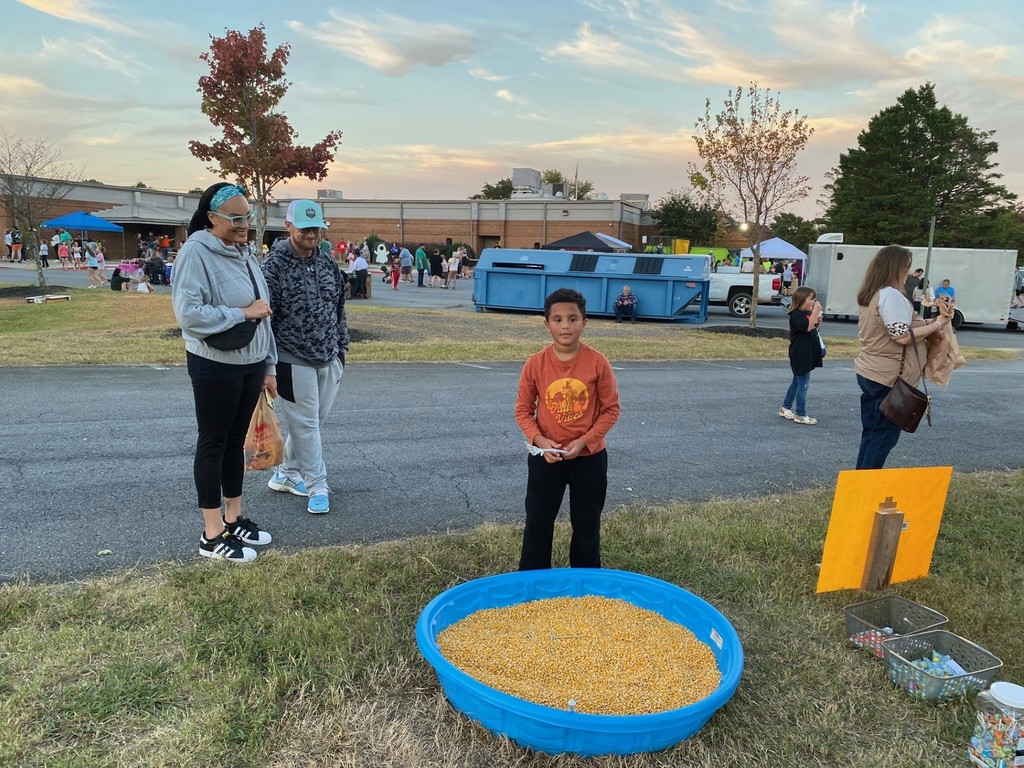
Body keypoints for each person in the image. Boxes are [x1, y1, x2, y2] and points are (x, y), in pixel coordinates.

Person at [171, 182, 277, 563]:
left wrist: (269, 365)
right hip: (214, 363)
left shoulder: (243, 251)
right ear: (211, 218)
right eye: (235, 218)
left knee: (236, 443)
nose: (243, 224)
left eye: (247, 216)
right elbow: (189, 315)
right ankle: (212, 533)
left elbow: (265, 312)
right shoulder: (195, 253)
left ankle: (234, 518)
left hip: (251, 363)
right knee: (214, 442)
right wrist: (241, 314)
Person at [514, 287, 621, 570]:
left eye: (573, 319)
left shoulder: (598, 363)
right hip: (546, 458)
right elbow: (523, 411)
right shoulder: (535, 364)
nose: (565, 326)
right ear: (546, 323)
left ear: (584, 322)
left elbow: (611, 410)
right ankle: (533, 584)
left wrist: (585, 442)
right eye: (558, 319)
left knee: (587, 527)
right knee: (538, 524)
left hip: (589, 459)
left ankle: (585, 587)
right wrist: (539, 440)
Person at [262, 200, 349, 515]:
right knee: (307, 425)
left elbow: (339, 308)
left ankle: (285, 473)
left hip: (328, 357)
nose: (312, 234)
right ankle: (317, 486)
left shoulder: (327, 263)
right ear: (288, 226)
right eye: (305, 228)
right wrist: (268, 366)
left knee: (311, 423)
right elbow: (264, 320)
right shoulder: (274, 266)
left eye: (316, 228)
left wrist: (341, 350)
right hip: (291, 357)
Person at [853, 245, 954, 470]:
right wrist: (937, 324)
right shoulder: (890, 295)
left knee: (871, 433)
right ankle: (866, 488)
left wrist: (935, 321)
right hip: (889, 377)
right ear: (895, 268)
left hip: (870, 372)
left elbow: (900, 326)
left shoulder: (872, 293)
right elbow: (901, 335)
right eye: (906, 267)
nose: (908, 273)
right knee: (883, 437)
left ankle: (857, 485)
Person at [779, 286, 824, 425]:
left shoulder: (805, 314)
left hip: (806, 352)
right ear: (801, 299)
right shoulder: (796, 314)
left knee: (797, 381)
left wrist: (816, 319)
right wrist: (815, 313)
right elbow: (806, 327)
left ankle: (785, 407)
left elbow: (812, 328)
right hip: (800, 353)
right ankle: (801, 413)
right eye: (812, 299)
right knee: (803, 383)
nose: (814, 302)